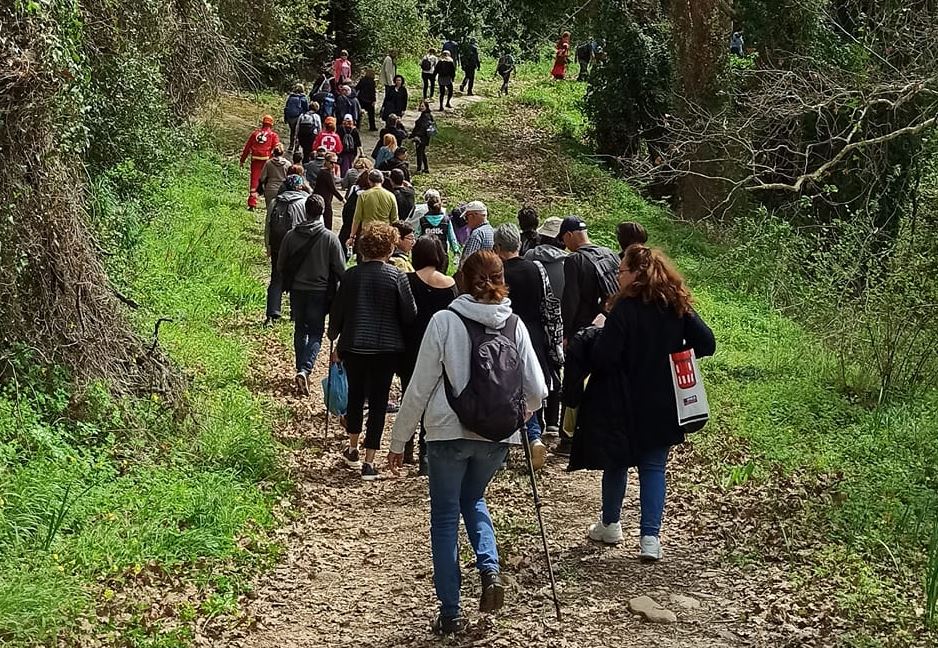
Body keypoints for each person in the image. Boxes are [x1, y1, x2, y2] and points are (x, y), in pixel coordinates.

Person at [387, 251, 548, 635]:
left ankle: (451, 612)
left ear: (462, 280)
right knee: (473, 499)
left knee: (445, 517)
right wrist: (514, 417)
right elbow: (538, 390)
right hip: (496, 437)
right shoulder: (514, 324)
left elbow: (419, 386)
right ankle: (489, 569)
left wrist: (399, 439)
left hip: (447, 433)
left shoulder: (445, 321)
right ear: (501, 280)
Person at [567, 245, 716, 559]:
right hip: (664, 400)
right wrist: (675, 350)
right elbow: (707, 343)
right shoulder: (676, 303)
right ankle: (650, 538)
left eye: (621, 270)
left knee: (617, 462)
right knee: (653, 468)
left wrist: (596, 335)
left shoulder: (625, 308)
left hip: (622, 399)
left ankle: (610, 524)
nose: (617, 276)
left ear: (636, 273)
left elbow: (605, 357)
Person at [328, 222, 417, 480]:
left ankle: (352, 447)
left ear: (364, 247)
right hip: (387, 348)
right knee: (379, 402)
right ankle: (369, 460)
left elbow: (338, 311)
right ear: (390, 248)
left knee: (356, 395)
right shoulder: (397, 276)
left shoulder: (351, 276)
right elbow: (410, 314)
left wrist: (334, 335)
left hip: (355, 345)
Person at [493, 224, 562, 470]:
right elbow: (548, 303)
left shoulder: (498, 272)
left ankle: (501, 452)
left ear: (498, 247)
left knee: (504, 391)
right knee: (530, 387)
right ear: (519, 244)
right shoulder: (537, 268)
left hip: (505, 332)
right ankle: (534, 437)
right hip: (534, 333)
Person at [556, 216, 619, 455]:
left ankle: (568, 439)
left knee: (573, 383)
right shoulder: (610, 254)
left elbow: (570, 300)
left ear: (569, 235)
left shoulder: (574, 260)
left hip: (582, 333)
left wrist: (565, 333)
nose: (565, 245)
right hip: (610, 328)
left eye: (564, 240)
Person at [396, 236, 458, 475]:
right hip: (439, 348)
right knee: (432, 400)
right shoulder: (450, 284)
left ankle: (405, 446)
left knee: (409, 394)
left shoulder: (406, 280)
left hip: (410, 346)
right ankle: (426, 454)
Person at [277, 194, 346, 394]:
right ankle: (305, 369)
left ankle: (301, 368)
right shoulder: (330, 238)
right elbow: (341, 269)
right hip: (320, 292)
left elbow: (281, 265)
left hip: (297, 290)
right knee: (316, 331)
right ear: (322, 212)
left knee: (300, 329)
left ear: (305, 211)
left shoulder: (291, 236)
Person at [523, 216, 567, 436]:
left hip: (534, 321)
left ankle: (537, 419)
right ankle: (553, 421)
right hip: (558, 322)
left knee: (535, 368)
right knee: (555, 366)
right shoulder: (569, 261)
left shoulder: (530, 257)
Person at [264, 174, 309, 324]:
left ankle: (272, 312)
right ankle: (295, 313)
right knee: (297, 279)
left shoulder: (275, 202)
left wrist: (268, 245)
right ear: (300, 186)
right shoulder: (304, 202)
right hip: (297, 247)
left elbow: (268, 226)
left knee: (276, 278)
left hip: (277, 245)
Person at [239, 115, 281, 211]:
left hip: (255, 160)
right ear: (271, 124)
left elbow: (247, 148)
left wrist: (242, 160)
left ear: (263, 123)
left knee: (254, 180)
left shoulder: (255, 134)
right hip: (267, 161)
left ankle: (252, 203)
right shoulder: (273, 135)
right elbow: (277, 148)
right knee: (268, 180)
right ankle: (269, 201)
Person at [350, 169, 399, 245]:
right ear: (382, 180)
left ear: (369, 181)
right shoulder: (391, 196)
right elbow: (394, 219)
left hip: (368, 233)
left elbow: (357, 218)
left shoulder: (363, 195)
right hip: (385, 233)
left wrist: (352, 236)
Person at [415, 190, 460, 257]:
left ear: (428, 207)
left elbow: (417, 236)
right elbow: (452, 237)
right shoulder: (446, 220)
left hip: (426, 254)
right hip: (442, 254)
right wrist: (456, 251)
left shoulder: (422, 221)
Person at [339, 169, 373, 256]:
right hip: (361, 227)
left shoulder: (354, 189)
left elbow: (346, 207)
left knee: (343, 252)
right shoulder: (370, 195)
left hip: (348, 224)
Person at [313, 152, 344, 231]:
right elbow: (333, 189)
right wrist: (342, 199)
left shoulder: (326, 172)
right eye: (331, 162)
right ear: (326, 161)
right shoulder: (326, 173)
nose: (333, 165)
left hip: (323, 199)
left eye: (335, 163)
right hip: (324, 200)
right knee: (327, 222)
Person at [457, 201, 493, 269]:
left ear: (473, 215)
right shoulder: (491, 230)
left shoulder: (477, 234)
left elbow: (467, 261)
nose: (466, 221)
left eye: (466, 217)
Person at [259, 143, 290, 216]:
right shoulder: (288, 164)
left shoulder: (268, 163)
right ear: (283, 152)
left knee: (270, 211)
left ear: (273, 152)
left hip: (270, 189)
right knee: (281, 212)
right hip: (283, 190)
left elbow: (262, 178)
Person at [410, 100, 435, 174]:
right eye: (420, 106)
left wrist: (417, 136)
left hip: (422, 137)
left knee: (419, 152)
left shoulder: (426, 116)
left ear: (426, 107)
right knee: (422, 152)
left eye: (422, 106)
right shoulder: (425, 115)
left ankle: (419, 169)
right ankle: (426, 168)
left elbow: (423, 127)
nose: (421, 107)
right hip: (423, 137)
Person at [283, 85, 309, 151]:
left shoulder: (290, 97)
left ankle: (291, 145)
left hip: (290, 117)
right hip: (299, 117)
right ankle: (296, 148)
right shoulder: (303, 98)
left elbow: (286, 108)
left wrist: (285, 118)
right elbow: (306, 109)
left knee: (292, 132)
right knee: (298, 133)